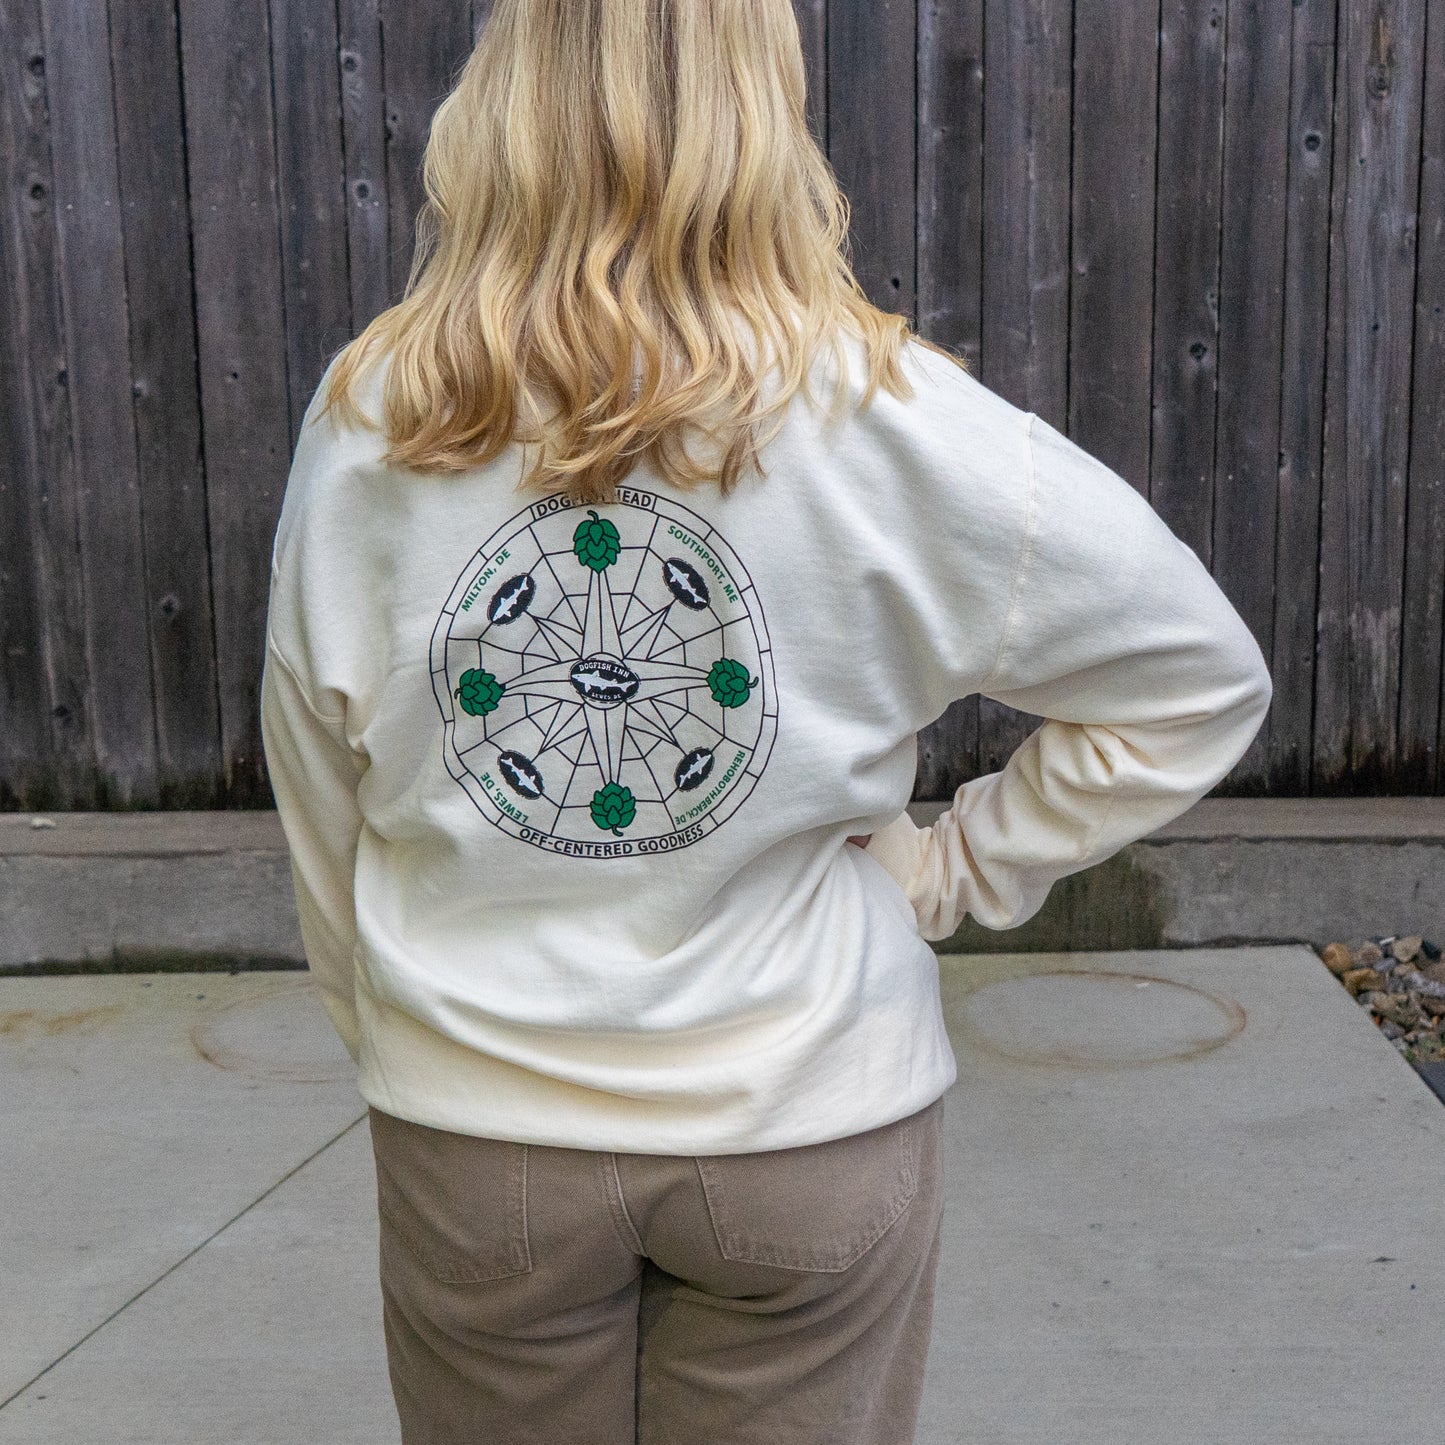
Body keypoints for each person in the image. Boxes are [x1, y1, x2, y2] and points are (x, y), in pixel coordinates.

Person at [259, 2, 1273, 1440]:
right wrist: (948, 870)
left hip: (480, 1138)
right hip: (808, 1120)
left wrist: (397, 1036)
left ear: (496, 102)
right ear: (767, 107)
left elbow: (319, 788)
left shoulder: (372, 417)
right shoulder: (896, 418)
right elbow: (1194, 676)